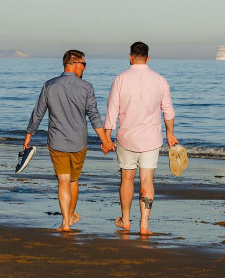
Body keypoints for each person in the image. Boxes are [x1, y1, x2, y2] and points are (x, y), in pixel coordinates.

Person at [24, 49, 115, 232]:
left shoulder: (49, 85)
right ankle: (71, 215)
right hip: (78, 142)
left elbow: (38, 113)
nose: (84, 68)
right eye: (83, 64)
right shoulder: (86, 87)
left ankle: (65, 222)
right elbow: (94, 116)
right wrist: (105, 140)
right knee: (73, 181)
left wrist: (29, 135)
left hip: (57, 142)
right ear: (74, 64)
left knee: (62, 180)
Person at [104, 41, 177, 235]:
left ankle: (125, 220)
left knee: (126, 178)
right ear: (148, 58)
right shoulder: (160, 80)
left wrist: (107, 138)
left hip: (126, 137)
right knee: (147, 180)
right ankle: (144, 225)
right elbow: (168, 110)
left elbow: (112, 109)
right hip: (151, 139)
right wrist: (170, 134)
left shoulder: (120, 79)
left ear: (130, 57)